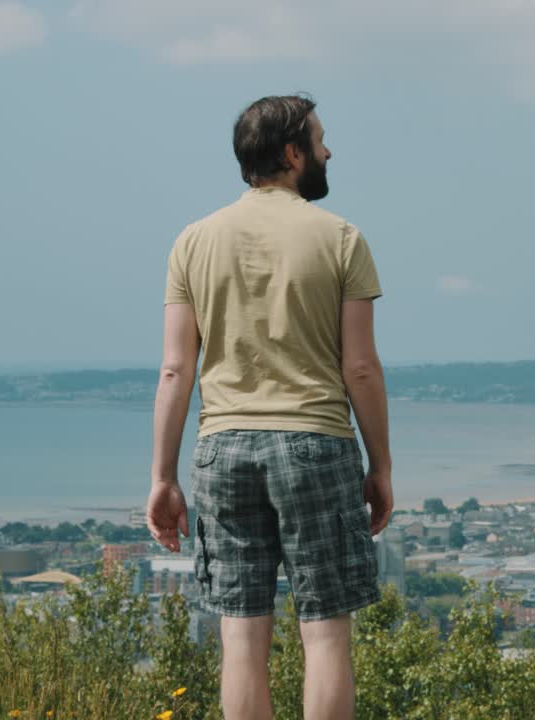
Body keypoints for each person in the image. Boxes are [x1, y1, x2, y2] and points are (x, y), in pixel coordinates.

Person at [145, 93, 393, 720]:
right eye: (319, 140)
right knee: (326, 631)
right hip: (315, 444)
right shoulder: (341, 239)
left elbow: (176, 369)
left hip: (223, 449)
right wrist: (381, 465)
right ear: (291, 153)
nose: (328, 150)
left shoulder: (192, 242)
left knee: (241, 634)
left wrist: (162, 477)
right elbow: (359, 367)